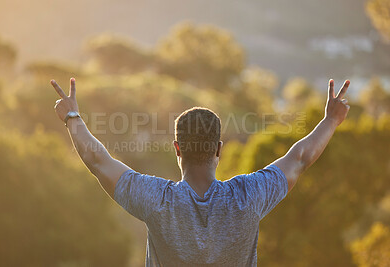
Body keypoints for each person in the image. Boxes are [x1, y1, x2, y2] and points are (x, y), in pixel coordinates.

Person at [51, 78, 350, 267]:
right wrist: (331, 120)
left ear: (177, 149)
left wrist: (72, 117)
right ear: (218, 149)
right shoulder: (249, 196)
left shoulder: (157, 200)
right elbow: (299, 158)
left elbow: (97, 160)